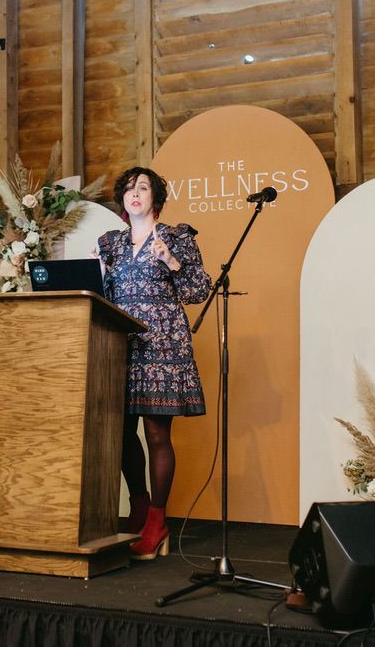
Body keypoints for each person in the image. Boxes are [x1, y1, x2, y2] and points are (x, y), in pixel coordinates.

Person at [96, 166, 211, 560]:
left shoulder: (178, 237)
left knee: (157, 434)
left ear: (155, 198)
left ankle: (158, 522)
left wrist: (172, 262)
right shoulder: (109, 242)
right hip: (119, 345)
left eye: (142, 187)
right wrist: (93, 276)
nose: (134, 193)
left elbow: (199, 291)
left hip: (163, 345)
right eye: (129, 188)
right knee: (122, 433)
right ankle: (140, 507)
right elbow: (104, 295)